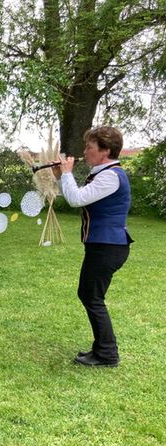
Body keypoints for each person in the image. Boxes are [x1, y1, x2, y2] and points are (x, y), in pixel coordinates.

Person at [52, 126, 132, 367]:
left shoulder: (111, 176)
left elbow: (76, 199)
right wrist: (60, 176)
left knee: (92, 296)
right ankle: (102, 349)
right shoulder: (104, 173)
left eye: (90, 147)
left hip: (108, 246)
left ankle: (107, 353)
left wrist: (66, 173)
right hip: (103, 245)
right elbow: (77, 195)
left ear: (105, 151)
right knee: (90, 295)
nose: (85, 151)